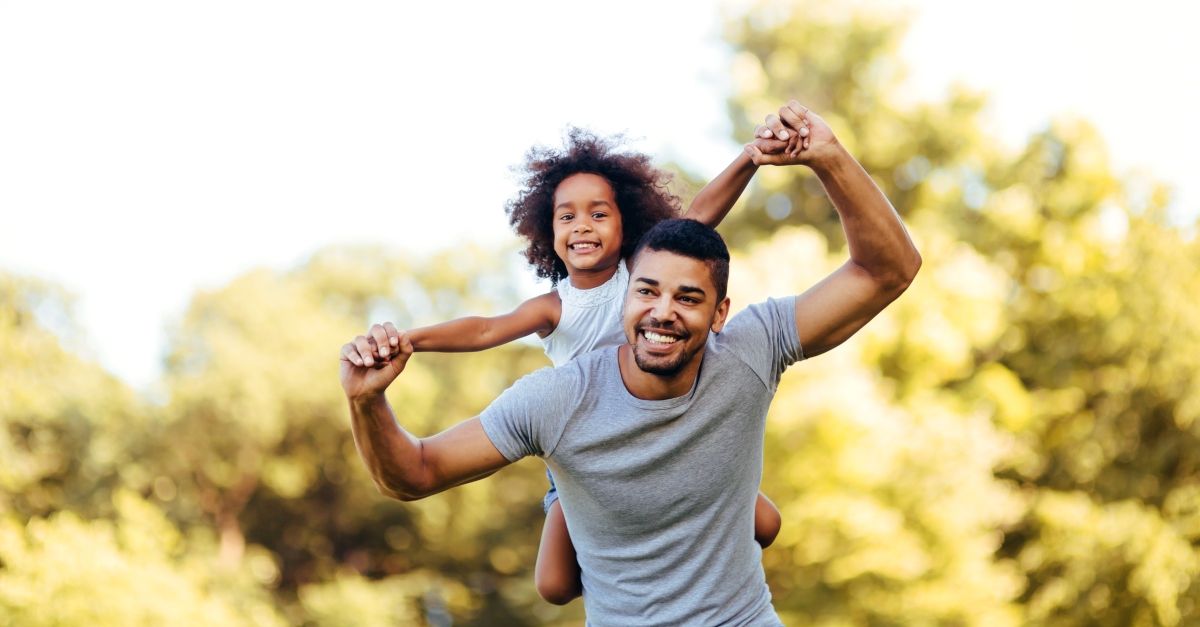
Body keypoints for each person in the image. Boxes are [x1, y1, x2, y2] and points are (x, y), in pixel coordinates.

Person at [340, 101, 921, 625]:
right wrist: (368, 400)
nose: (662, 311)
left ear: (720, 314)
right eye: (647, 292)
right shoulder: (556, 397)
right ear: (627, 296)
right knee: (554, 583)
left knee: (762, 521)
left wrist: (827, 155)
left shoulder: (749, 349)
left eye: (687, 298)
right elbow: (411, 474)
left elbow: (885, 271)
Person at [371, 126, 795, 603]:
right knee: (553, 586)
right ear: (548, 231)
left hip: (669, 429)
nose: (582, 226)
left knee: (767, 524)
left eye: (599, 213)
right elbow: (485, 330)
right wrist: (410, 340)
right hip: (589, 445)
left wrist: (750, 159)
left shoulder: (641, 274)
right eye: (566, 216)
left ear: (627, 223)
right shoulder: (554, 307)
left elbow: (700, 216)